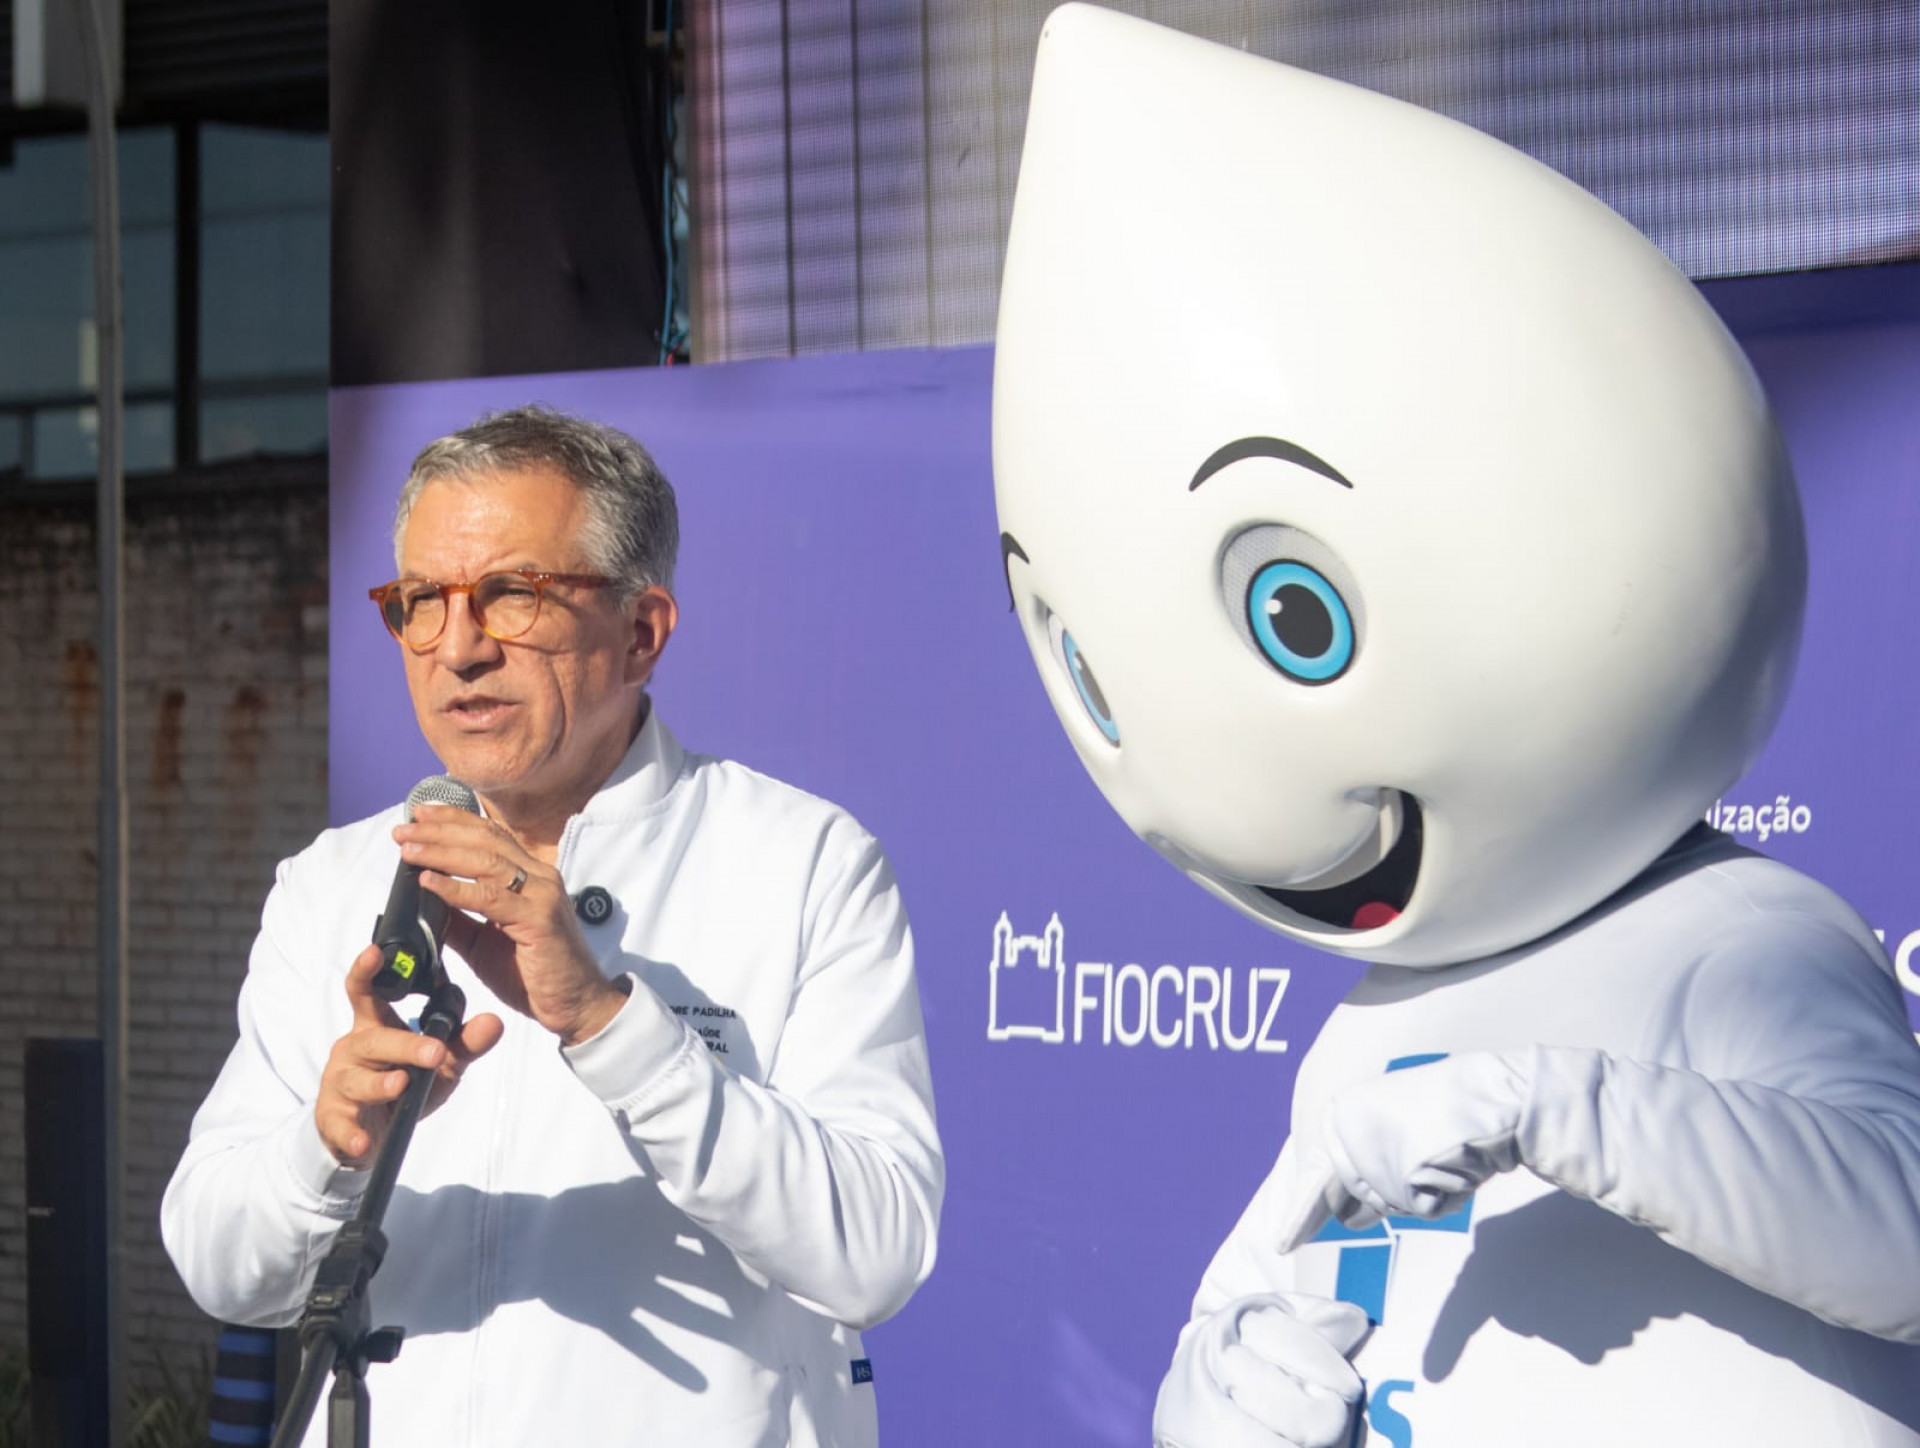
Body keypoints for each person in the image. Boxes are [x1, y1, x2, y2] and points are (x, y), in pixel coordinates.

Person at [162, 405, 944, 1447]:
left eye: (511, 594)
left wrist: (611, 1025)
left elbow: (878, 1251)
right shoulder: (332, 880)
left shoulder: (804, 862)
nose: (460, 648)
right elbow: (218, 1264)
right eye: (421, 602)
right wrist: (327, 1146)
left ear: (642, 631)